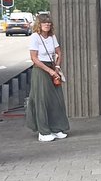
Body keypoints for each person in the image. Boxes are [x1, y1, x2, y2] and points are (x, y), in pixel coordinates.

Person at [27, 13, 70, 142]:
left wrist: (56, 66)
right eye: (44, 22)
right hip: (40, 70)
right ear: (39, 24)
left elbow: (59, 52)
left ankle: (56, 128)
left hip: (52, 67)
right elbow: (34, 58)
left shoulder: (52, 36)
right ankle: (43, 132)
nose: (47, 24)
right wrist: (50, 71)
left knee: (56, 99)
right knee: (42, 100)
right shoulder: (35, 37)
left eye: (49, 22)